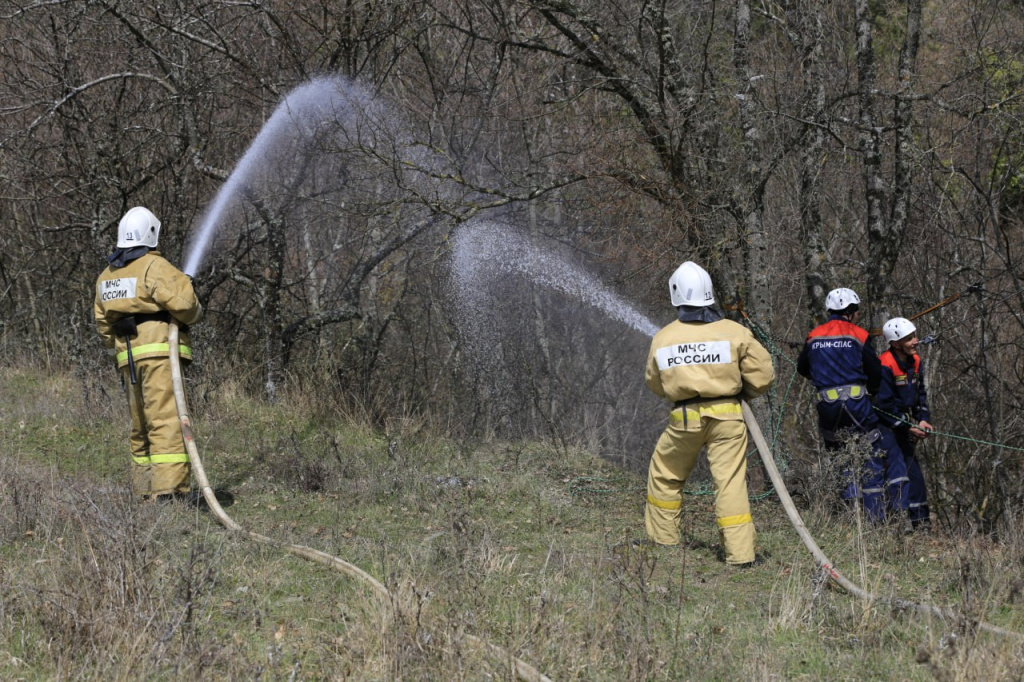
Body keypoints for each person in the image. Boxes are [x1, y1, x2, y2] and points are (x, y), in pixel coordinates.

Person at [643, 261, 775, 566]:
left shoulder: (663, 337)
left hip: (684, 419)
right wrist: (745, 392)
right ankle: (741, 556)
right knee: (729, 483)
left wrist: (680, 390)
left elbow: (654, 383)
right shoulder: (735, 331)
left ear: (675, 294)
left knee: (665, 475)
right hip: (728, 416)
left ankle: (664, 541)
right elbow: (763, 375)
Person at [94, 207, 203, 502]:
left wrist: (118, 347)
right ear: (151, 234)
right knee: (166, 419)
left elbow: (104, 326)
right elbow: (186, 305)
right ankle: (170, 492)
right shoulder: (153, 266)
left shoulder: (107, 276)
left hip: (127, 359)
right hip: (159, 354)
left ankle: (144, 489)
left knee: (140, 423)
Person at [796, 288, 903, 522]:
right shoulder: (859, 335)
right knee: (870, 453)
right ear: (852, 311)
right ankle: (874, 521)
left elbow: (802, 368)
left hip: (827, 405)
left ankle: (847, 515)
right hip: (857, 405)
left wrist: (824, 376)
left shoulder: (814, 336)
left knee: (839, 454)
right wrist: (872, 392)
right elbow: (874, 370)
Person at [876, 317, 933, 531]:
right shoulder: (885, 364)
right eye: (909, 339)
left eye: (914, 336)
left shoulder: (915, 361)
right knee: (898, 470)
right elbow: (883, 406)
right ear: (896, 343)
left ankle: (921, 523)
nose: (915, 341)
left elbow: (920, 395)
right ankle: (899, 522)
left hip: (905, 422)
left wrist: (923, 419)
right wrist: (908, 426)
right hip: (885, 425)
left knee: (915, 474)